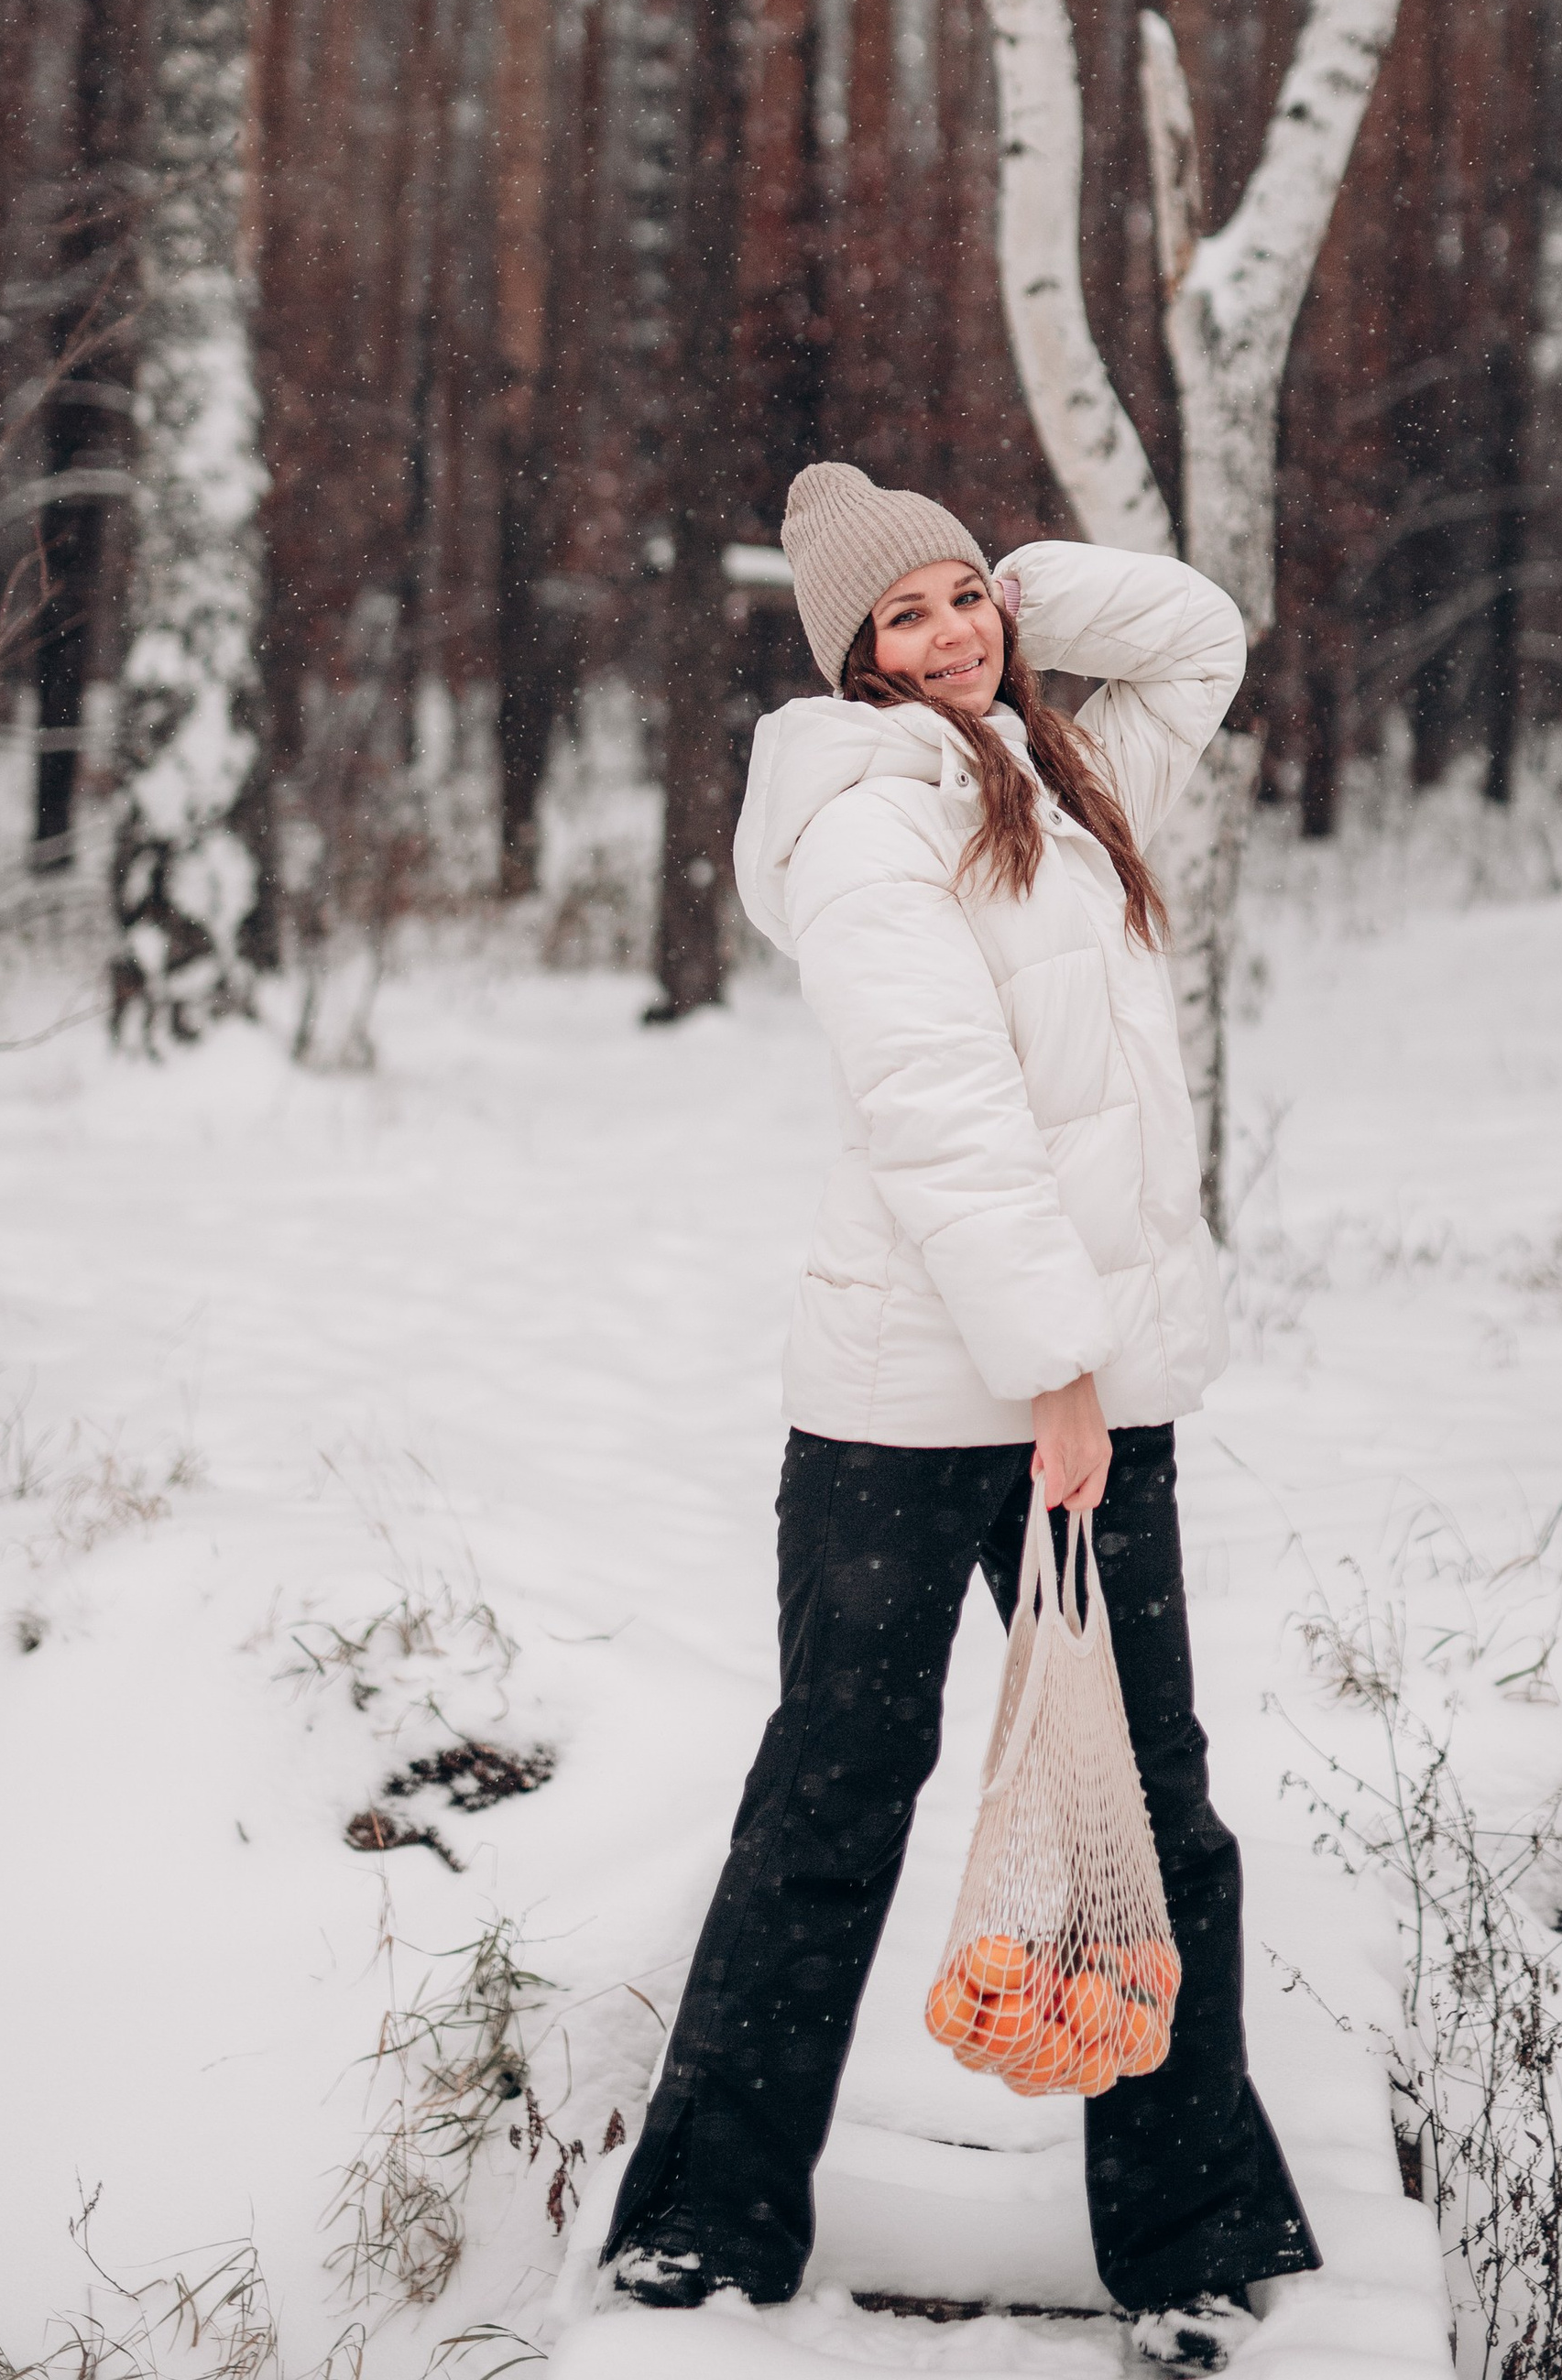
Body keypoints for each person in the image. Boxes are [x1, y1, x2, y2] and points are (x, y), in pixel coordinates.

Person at [601, 461, 1319, 2366]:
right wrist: (1052, 1373)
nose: (945, 636)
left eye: (960, 599)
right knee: (835, 1793)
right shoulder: (858, 822)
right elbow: (943, 1110)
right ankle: (700, 2224)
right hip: (911, 1411)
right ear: (844, 657)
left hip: (1092, 1396)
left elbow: (1195, 643)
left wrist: (1020, 575)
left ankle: (1183, 2240)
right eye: (898, 615)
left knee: (1147, 1812)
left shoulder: (1066, 794)